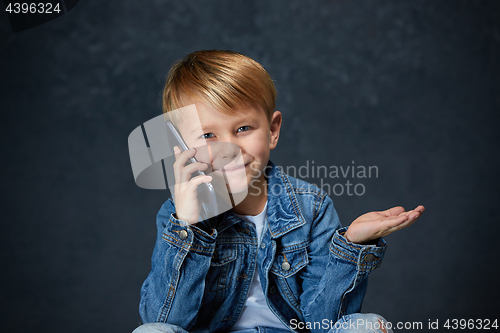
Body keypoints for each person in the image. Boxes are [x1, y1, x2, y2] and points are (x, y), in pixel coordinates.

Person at [132, 50, 425, 333]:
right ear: (181, 147)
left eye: (244, 128)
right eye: (208, 135)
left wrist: (350, 246)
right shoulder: (178, 215)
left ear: (272, 130)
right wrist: (188, 226)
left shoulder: (312, 207)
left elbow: (326, 322)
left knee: (365, 324)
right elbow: (165, 318)